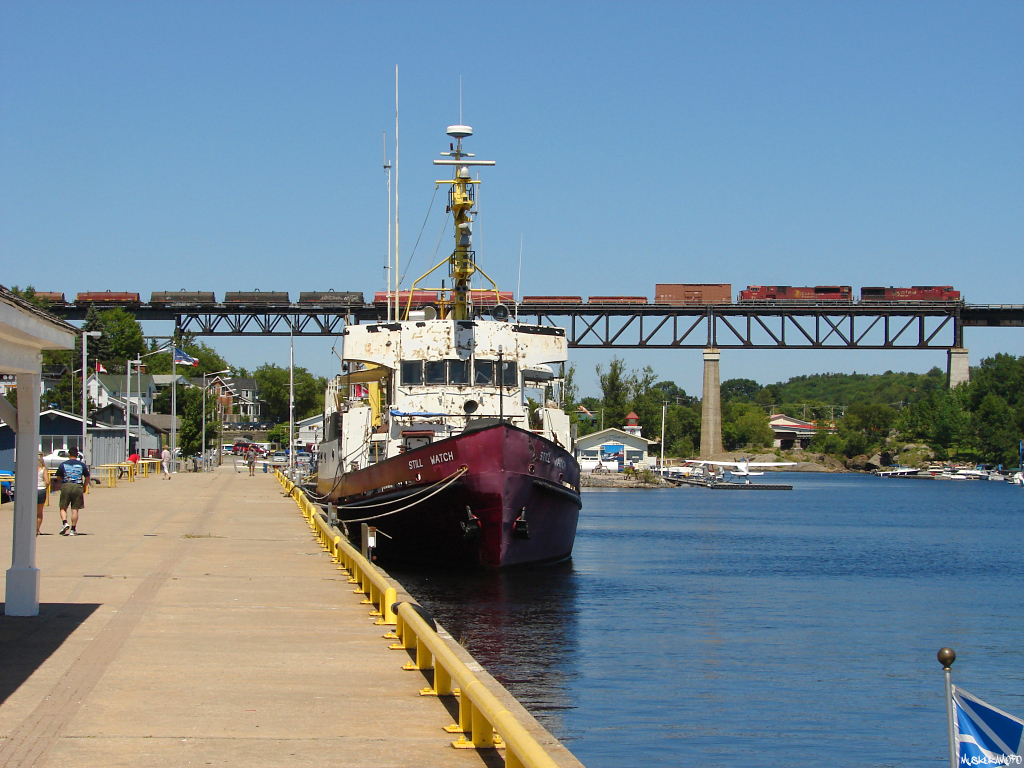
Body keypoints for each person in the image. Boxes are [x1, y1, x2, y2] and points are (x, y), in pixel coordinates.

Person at [56, 446, 90, 536]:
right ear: (77, 455)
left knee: (63, 507)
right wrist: (85, 486)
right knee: (75, 509)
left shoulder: (63, 464)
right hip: (78, 486)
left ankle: (64, 523)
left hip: (66, 485)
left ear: (69, 454)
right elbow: (87, 477)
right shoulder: (81, 465)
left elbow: (58, 477)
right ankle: (73, 529)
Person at [37, 454, 47, 535]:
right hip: (41, 490)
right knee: (39, 512)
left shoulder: (30, 469)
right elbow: (47, 482)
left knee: (31, 511)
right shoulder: (43, 469)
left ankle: (30, 528)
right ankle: (37, 529)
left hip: (32, 491)